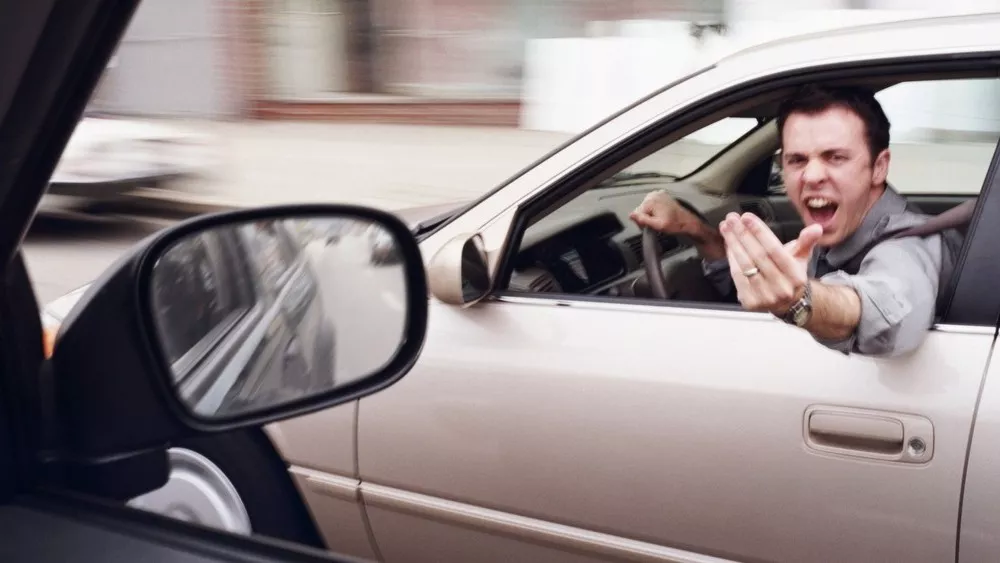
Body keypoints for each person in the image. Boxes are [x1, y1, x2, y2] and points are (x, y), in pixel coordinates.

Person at [630, 84, 963, 357]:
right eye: (797, 160)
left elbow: (887, 315)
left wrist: (801, 301)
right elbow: (762, 283)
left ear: (879, 167)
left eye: (836, 157)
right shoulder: (837, 228)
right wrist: (693, 229)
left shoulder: (910, 244)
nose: (812, 175)